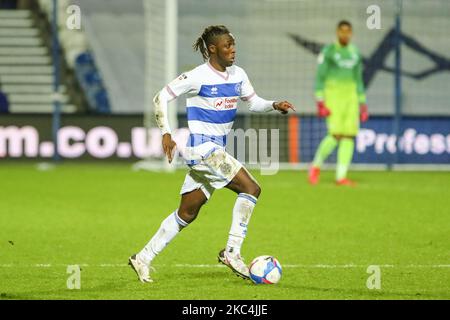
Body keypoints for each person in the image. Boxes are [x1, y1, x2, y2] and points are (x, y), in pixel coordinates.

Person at [129, 25, 295, 283]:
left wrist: (273, 104)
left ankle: (142, 258)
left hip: (215, 150)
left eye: (233, 44)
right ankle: (232, 252)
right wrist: (166, 132)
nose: (233, 49)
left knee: (187, 212)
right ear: (212, 49)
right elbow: (159, 98)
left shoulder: (238, 75)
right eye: (227, 46)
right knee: (251, 189)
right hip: (203, 150)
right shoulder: (197, 77)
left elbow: (253, 102)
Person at [309, 20, 369, 186]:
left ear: (351, 33)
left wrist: (362, 103)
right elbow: (320, 77)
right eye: (342, 31)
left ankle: (341, 176)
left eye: (347, 31)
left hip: (351, 98)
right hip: (333, 97)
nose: (345, 34)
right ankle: (315, 166)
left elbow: (358, 80)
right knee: (335, 135)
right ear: (337, 32)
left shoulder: (355, 53)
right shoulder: (329, 51)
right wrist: (320, 101)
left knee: (349, 136)